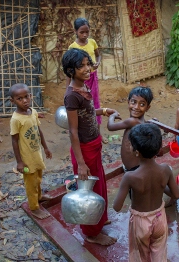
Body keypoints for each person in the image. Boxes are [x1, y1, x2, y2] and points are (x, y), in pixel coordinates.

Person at [62, 48, 118, 246]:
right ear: (71, 71)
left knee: (99, 184)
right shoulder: (71, 96)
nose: (88, 68)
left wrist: (102, 111)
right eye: (82, 66)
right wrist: (81, 163)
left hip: (93, 146)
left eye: (88, 64)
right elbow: (73, 131)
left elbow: (86, 114)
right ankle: (92, 233)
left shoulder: (83, 88)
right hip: (84, 151)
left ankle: (99, 218)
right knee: (89, 192)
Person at [113, 123, 179, 262]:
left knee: (140, 255)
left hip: (140, 222)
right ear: (158, 149)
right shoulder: (165, 170)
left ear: (136, 151)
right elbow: (176, 194)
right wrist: (161, 186)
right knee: (159, 252)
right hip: (160, 218)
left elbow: (117, 206)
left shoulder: (130, 177)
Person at [9, 83, 52, 219]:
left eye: (26, 97)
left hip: (36, 154)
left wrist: (45, 147)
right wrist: (19, 162)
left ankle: (38, 197)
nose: (25, 101)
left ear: (30, 96)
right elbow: (14, 141)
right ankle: (34, 208)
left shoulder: (33, 112)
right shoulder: (16, 119)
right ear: (12, 101)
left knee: (38, 178)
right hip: (27, 158)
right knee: (30, 183)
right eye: (19, 99)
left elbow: (39, 131)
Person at [67, 18, 106, 142]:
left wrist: (97, 63)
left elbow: (98, 55)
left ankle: (98, 133)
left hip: (92, 78)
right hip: (79, 81)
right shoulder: (72, 47)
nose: (84, 35)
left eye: (87, 32)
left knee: (95, 103)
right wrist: (68, 87)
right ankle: (80, 134)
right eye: (81, 32)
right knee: (81, 107)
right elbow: (70, 68)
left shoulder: (92, 42)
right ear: (75, 31)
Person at [107, 86, 153, 172]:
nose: (136, 107)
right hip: (137, 167)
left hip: (134, 169)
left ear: (147, 107)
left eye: (142, 104)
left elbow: (110, 126)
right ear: (128, 102)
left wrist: (112, 116)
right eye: (133, 102)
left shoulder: (132, 121)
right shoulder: (142, 121)